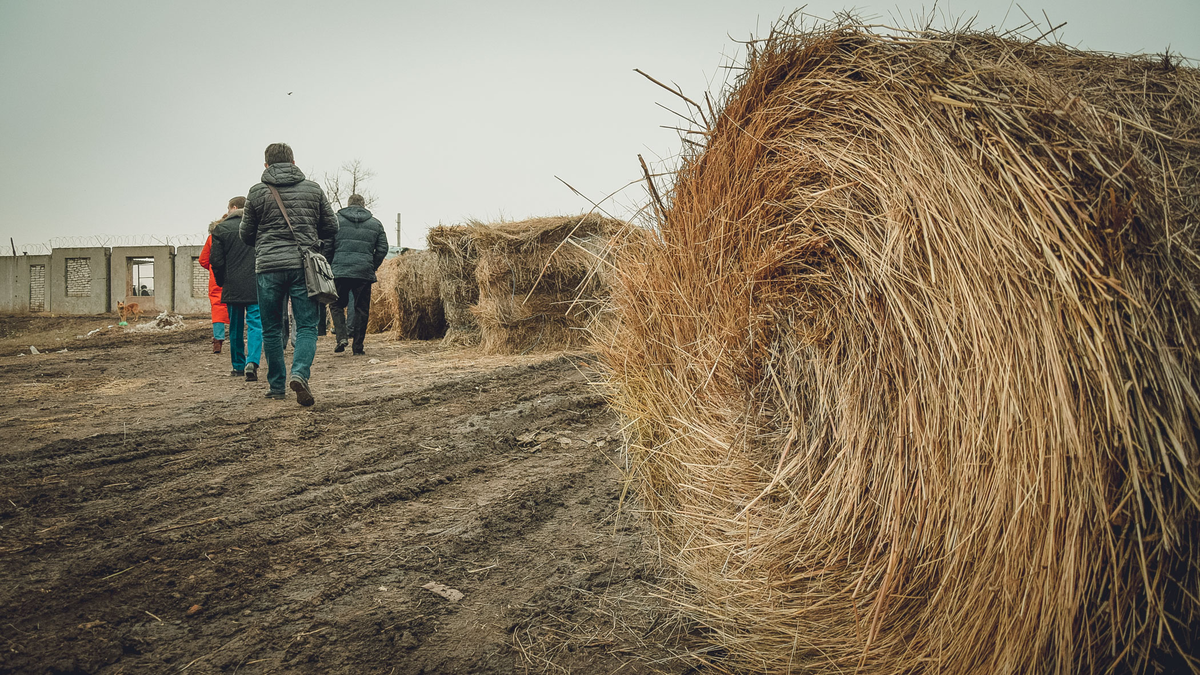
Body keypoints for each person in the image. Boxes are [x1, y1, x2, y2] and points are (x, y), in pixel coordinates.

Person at [240, 142, 338, 406]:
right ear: (294, 163)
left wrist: (266, 243)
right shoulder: (313, 189)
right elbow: (332, 225)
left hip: (268, 267)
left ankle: (276, 387)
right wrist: (310, 235)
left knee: (272, 328)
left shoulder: (257, 192)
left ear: (266, 165)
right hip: (303, 266)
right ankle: (299, 373)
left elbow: (245, 234)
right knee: (306, 325)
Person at [209, 196, 262, 381]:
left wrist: (222, 281)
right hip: (256, 284)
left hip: (232, 287)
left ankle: (238, 366)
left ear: (232, 208)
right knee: (256, 325)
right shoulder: (257, 227)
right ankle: (253, 361)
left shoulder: (221, 229)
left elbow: (215, 260)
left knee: (236, 328)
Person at [330, 193, 388, 355]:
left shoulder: (335, 221)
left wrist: (330, 265)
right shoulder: (375, 224)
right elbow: (383, 248)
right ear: (363, 205)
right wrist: (372, 265)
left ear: (348, 204)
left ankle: (341, 336)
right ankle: (358, 347)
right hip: (363, 272)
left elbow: (327, 245)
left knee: (336, 304)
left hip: (339, 271)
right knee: (361, 309)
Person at [199, 220, 229, 353]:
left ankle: (218, 340)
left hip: (216, 278)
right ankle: (235, 337)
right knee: (236, 306)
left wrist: (212, 268)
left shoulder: (212, 238)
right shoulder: (233, 235)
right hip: (235, 277)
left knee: (217, 307)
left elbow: (203, 260)